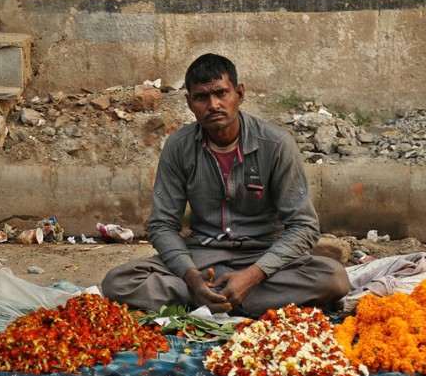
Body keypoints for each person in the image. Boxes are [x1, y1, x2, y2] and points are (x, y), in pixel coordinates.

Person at [101, 53, 350, 316]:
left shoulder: (276, 145)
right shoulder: (178, 147)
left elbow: (304, 227)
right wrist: (191, 276)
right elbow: (162, 225)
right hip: (203, 256)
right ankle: (226, 298)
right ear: (189, 103)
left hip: (262, 255)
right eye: (201, 97)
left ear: (239, 94)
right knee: (118, 281)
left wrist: (253, 276)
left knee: (333, 278)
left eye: (221, 93)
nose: (214, 104)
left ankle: (212, 301)